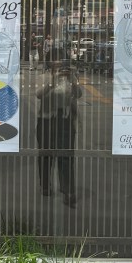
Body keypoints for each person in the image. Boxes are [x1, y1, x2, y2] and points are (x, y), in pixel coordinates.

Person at [36, 61, 81, 206]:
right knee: (46, 155)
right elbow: (39, 94)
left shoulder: (69, 79)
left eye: (63, 65)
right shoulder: (43, 77)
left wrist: (73, 80)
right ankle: (45, 185)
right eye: (57, 65)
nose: (61, 68)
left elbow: (78, 95)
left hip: (65, 120)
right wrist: (53, 80)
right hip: (46, 120)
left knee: (66, 156)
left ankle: (68, 191)